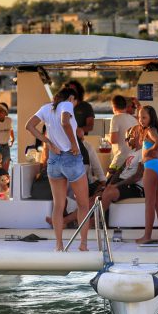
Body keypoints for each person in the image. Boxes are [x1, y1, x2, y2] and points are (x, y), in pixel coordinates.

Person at [25, 87, 91, 252]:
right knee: (83, 204)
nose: (74, 106)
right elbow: (64, 122)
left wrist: (48, 143)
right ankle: (83, 245)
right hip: (71, 157)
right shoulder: (67, 105)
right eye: (75, 102)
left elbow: (29, 126)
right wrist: (74, 144)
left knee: (58, 205)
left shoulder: (46, 108)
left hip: (54, 160)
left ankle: (59, 245)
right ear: (71, 98)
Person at [136, 105, 158, 245]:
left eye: (144, 117)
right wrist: (156, 150)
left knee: (149, 203)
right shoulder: (156, 130)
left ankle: (147, 236)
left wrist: (149, 152)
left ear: (151, 118)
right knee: (157, 203)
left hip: (152, 167)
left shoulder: (149, 130)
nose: (141, 120)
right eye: (139, 117)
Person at [100, 126, 144, 220]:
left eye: (131, 134)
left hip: (134, 187)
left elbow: (137, 176)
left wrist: (116, 185)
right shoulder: (132, 152)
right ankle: (72, 219)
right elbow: (121, 169)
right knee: (98, 194)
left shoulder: (143, 152)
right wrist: (111, 183)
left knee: (109, 192)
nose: (127, 138)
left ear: (138, 136)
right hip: (122, 182)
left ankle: (96, 220)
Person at [108, 95, 138, 173]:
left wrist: (107, 138)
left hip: (121, 157)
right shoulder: (134, 119)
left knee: (108, 179)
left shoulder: (116, 118)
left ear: (113, 106)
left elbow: (113, 140)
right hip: (133, 157)